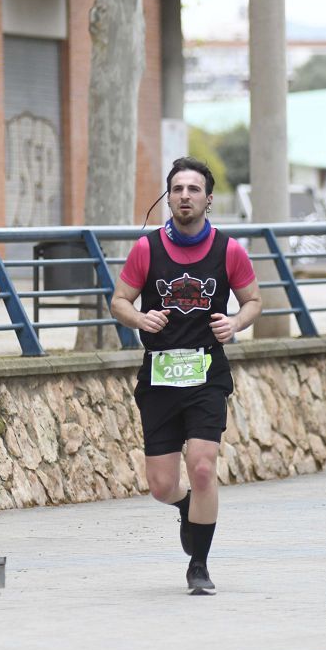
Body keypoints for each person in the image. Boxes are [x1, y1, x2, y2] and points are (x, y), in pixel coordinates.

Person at [110, 157, 262, 596]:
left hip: (206, 372)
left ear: (208, 199)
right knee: (161, 485)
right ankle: (185, 507)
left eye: (194, 190)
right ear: (168, 196)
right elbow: (119, 300)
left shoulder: (228, 249)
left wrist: (235, 323)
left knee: (201, 467)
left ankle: (199, 564)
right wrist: (140, 319)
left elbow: (254, 300)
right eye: (177, 189)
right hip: (159, 374)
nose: (184, 197)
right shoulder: (148, 249)